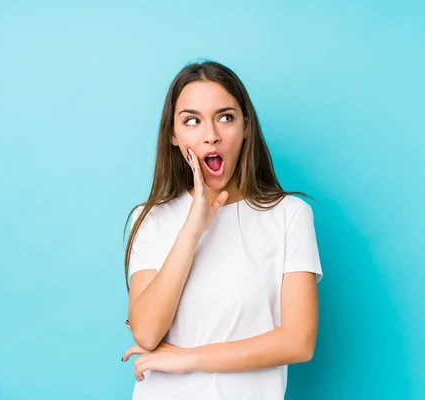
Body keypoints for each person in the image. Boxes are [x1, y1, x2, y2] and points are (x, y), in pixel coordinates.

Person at [120, 60, 323, 400]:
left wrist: (188, 359)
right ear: (173, 134)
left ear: (246, 126)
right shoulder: (150, 218)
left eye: (225, 117)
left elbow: (298, 342)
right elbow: (147, 333)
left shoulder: (289, 215)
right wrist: (192, 228)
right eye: (192, 120)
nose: (210, 134)